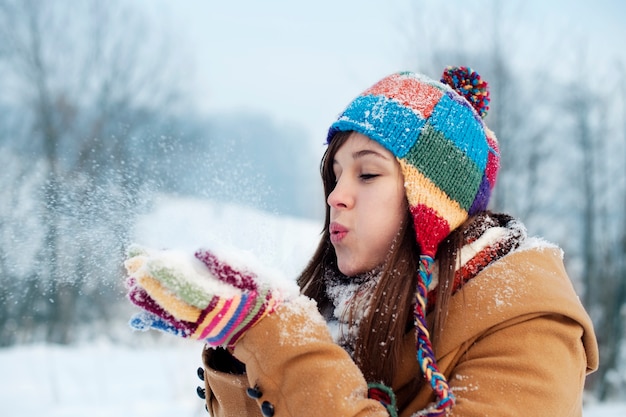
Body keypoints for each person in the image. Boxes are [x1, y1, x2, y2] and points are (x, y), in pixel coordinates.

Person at [123, 67, 599, 417]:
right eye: (335, 174)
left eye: (368, 173)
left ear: (432, 206)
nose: (337, 196)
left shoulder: (530, 326)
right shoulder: (340, 309)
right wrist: (243, 343)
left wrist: (282, 341)